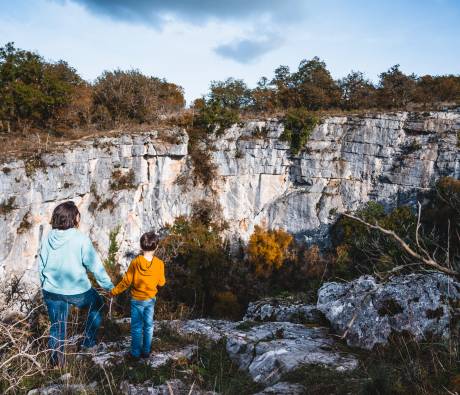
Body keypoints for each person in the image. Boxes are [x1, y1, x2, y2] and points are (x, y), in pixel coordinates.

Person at [38, 201, 114, 366]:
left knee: (57, 326)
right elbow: (95, 266)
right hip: (76, 290)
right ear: (73, 218)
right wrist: (108, 286)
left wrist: (44, 285)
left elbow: (41, 265)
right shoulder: (80, 238)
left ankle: (56, 363)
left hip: (51, 289)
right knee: (98, 303)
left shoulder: (47, 238)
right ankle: (88, 342)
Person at [110, 231, 166, 359]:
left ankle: (135, 353)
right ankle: (146, 351)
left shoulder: (135, 263)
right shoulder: (159, 264)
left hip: (136, 300)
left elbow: (126, 282)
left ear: (141, 247)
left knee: (136, 327)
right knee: (148, 325)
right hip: (150, 299)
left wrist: (114, 291)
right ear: (156, 247)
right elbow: (162, 282)